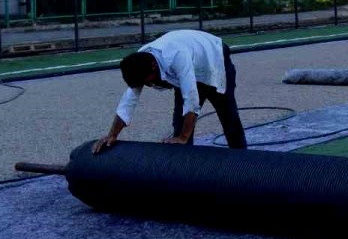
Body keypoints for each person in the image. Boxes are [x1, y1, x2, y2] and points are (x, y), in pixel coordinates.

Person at [94, 30, 247, 154]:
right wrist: (112, 135)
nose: (148, 85)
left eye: (148, 81)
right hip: (188, 67)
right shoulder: (139, 63)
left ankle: (244, 164)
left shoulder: (176, 57)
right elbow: (128, 102)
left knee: (229, 119)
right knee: (180, 126)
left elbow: (191, 100)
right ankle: (184, 170)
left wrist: (183, 137)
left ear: (154, 66)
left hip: (214, 61)